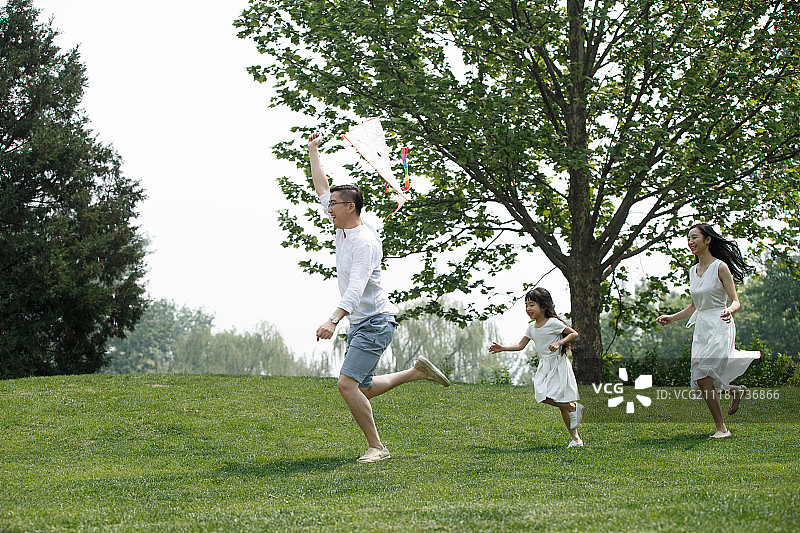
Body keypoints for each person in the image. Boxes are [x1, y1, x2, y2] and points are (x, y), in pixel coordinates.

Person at [307, 131, 451, 463]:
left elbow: (356, 289)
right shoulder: (342, 226)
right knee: (363, 388)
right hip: (363, 323)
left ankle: (377, 447)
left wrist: (332, 320)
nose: (327, 207)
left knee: (346, 385)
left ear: (350, 207)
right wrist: (314, 150)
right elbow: (321, 188)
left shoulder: (364, 242)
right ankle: (417, 373)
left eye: (333, 204)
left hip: (374, 322)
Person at [656, 223, 760, 439]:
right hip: (702, 327)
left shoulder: (720, 267)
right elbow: (695, 306)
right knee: (704, 378)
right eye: (688, 239)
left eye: (694, 237)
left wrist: (729, 310)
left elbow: (735, 301)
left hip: (720, 324)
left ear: (708, 240)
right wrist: (672, 318)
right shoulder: (692, 271)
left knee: (705, 377)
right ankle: (735, 390)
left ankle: (721, 429)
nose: (690, 242)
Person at [489, 287, 584, 448]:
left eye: (532, 305)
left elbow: (573, 333)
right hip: (544, 366)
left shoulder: (553, 323)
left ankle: (576, 439)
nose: (528, 309)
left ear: (544, 306)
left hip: (558, 365)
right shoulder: (531, 328)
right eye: (526, 305)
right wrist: (502, 348)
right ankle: (573, 407)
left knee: (559, 402)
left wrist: (559, 342)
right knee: (542, 396)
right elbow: (520, 346)